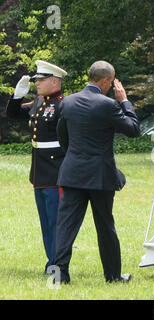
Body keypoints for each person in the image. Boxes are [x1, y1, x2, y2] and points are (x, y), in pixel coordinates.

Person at [54, 61, 140, 284]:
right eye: (111, 82)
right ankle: (112, 276)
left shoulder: (68, 102)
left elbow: (62, 135)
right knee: (105, 227)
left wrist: (73, 157)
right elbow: (133, 130)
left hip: (72, 173)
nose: (112, 86)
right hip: (99, 176)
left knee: (65, 226)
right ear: (104, 81)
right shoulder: (108, 104)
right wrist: (125, 101)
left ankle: (58, 275)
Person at [6, 60, 67, 274]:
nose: (37, 84)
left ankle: (56, 263)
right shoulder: (38, 103)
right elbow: (13, 115)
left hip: (56, 170)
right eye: (36, 80)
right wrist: (17, 96)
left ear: (54, 80)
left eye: (41, 80)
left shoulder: (63, 105)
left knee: (55, 222)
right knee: (45, 222)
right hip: (39, 171)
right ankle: (51, 260)